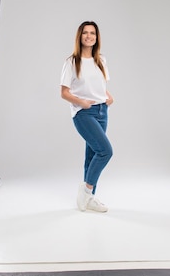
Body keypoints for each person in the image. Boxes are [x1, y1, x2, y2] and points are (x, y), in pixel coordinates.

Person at [60, 21, 114, 213]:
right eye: (85, 33)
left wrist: (108, 97)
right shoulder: (72, 62)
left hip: (102, 112)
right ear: (80, 36)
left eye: (92, 33)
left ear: (96, 37)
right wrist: (81, 103)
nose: (89, 36)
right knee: (105, 151)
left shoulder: (101, 60)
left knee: (92, 155)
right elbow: (64, 92)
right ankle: (86, 191)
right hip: (83, 113)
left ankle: (88, 199)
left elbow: (100, 86)